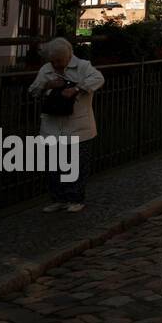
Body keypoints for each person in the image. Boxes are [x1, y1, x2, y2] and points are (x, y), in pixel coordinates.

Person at [28, 37, 105, 213]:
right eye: (53, 61)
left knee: (77, 164)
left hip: (79, 127)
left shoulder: (83, 66)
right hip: (52, 126)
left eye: (60, 61)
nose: (56, 65)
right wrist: (46, 84)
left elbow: (98, 79)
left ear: (69, 56)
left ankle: (75, 198)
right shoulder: (46, 70)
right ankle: (59, 198)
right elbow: (33, 91)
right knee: (53, 165)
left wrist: (77, 88)